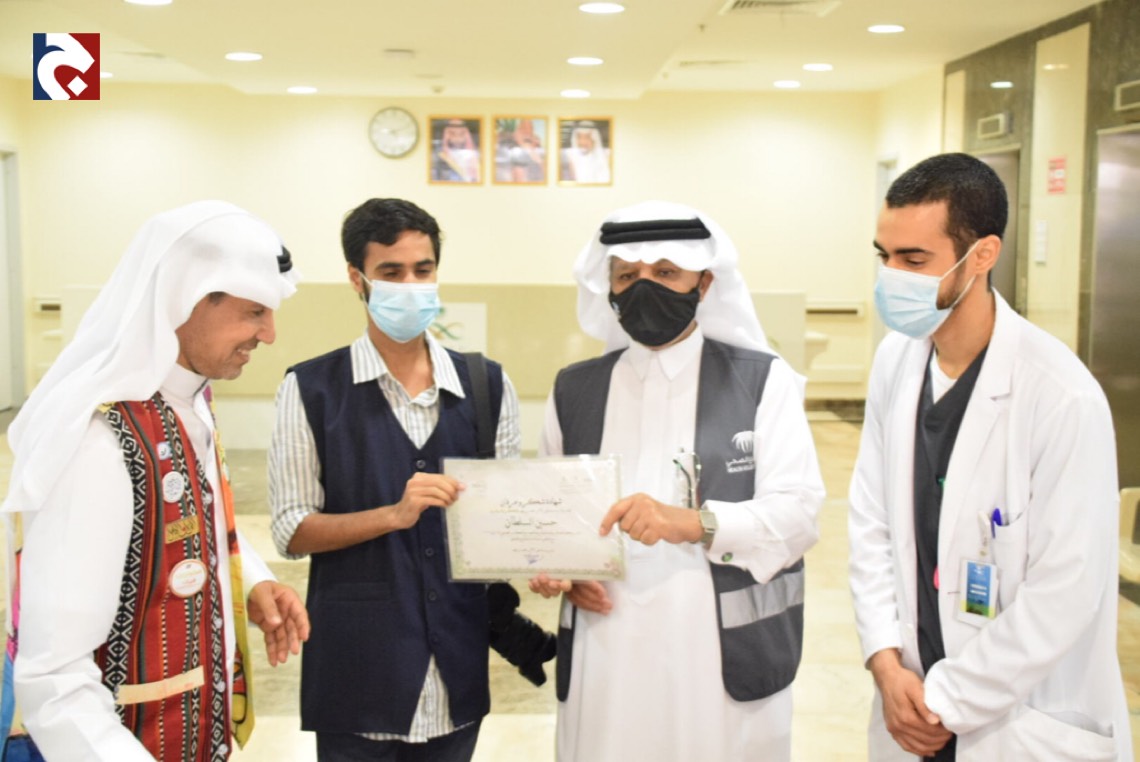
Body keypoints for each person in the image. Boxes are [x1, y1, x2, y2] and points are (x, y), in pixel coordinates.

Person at [848, 152, 1133, 761]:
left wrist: (948, 702)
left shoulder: (1062, 397)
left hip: (1017, 720)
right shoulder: (896, 362)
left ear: (982, 255)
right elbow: (870, 522)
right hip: (908, 693)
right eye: (884, 256)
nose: (891, 277)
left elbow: (1067, 589)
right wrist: (884, 660)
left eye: (913, 260)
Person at [2, 201, 311, 760]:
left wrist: (249, 581)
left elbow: (189, 522)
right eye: (254, 312)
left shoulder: (188, 403)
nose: (268, 334)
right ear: (184, 298)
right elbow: (55, 681)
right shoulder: (100, 442)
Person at [530, 201, 825, 761]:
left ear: (704, 283)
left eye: (665, 272)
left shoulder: (762, 382)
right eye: (627, 275)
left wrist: (692, 523)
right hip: (605, 647)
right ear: (609, 289)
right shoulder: (574, 389)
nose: (644, 287)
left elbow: (799, 513)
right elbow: (552, 512)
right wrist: (558, 570)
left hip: (719, 657)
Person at [268, 198, 526, 761]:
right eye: (391, 272)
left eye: (422, 269)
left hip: (456, 670)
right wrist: (392, 515)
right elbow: (291, 529)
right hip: (358, 672)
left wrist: (544, 554)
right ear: (356, 279)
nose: (410, 286)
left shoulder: (487, 386)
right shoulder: (311, 389)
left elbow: (503, 522)